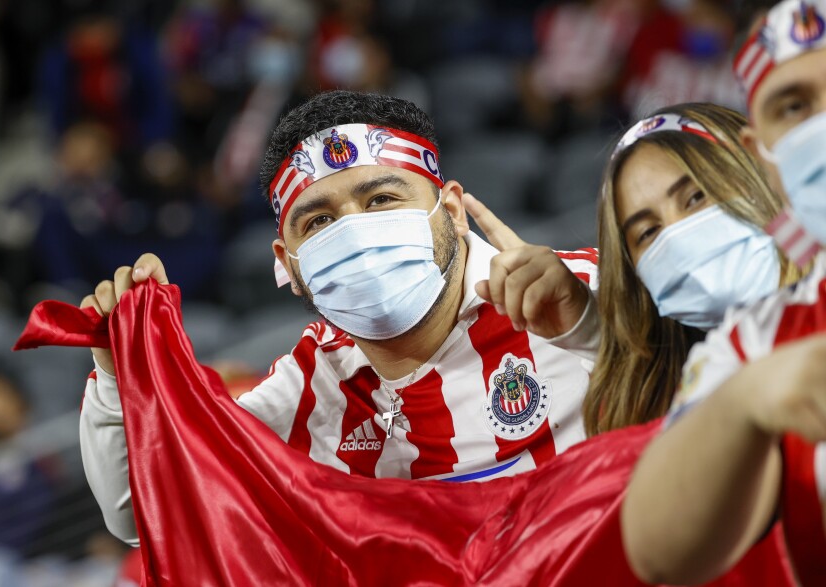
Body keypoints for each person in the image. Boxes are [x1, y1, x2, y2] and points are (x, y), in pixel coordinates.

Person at [78, 90, 601, 546]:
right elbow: (147, 510)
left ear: (453, 210)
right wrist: (117, 378)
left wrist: (595, 333)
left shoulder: (585, 296)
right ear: (289, 264)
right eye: (320, 220)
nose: (356, 231)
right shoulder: (308, 389)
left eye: (381, 198)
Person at [621, 0, 826, 583]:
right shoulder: (751, 346)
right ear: (766, 158)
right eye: (794, 106)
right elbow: (662, 554)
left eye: (694, 200)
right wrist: (745, 400)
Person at [585, 101, 804, 436]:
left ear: (757, 173)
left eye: (695, 197)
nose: (678, 234)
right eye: (648, 232)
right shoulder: (666, 410)